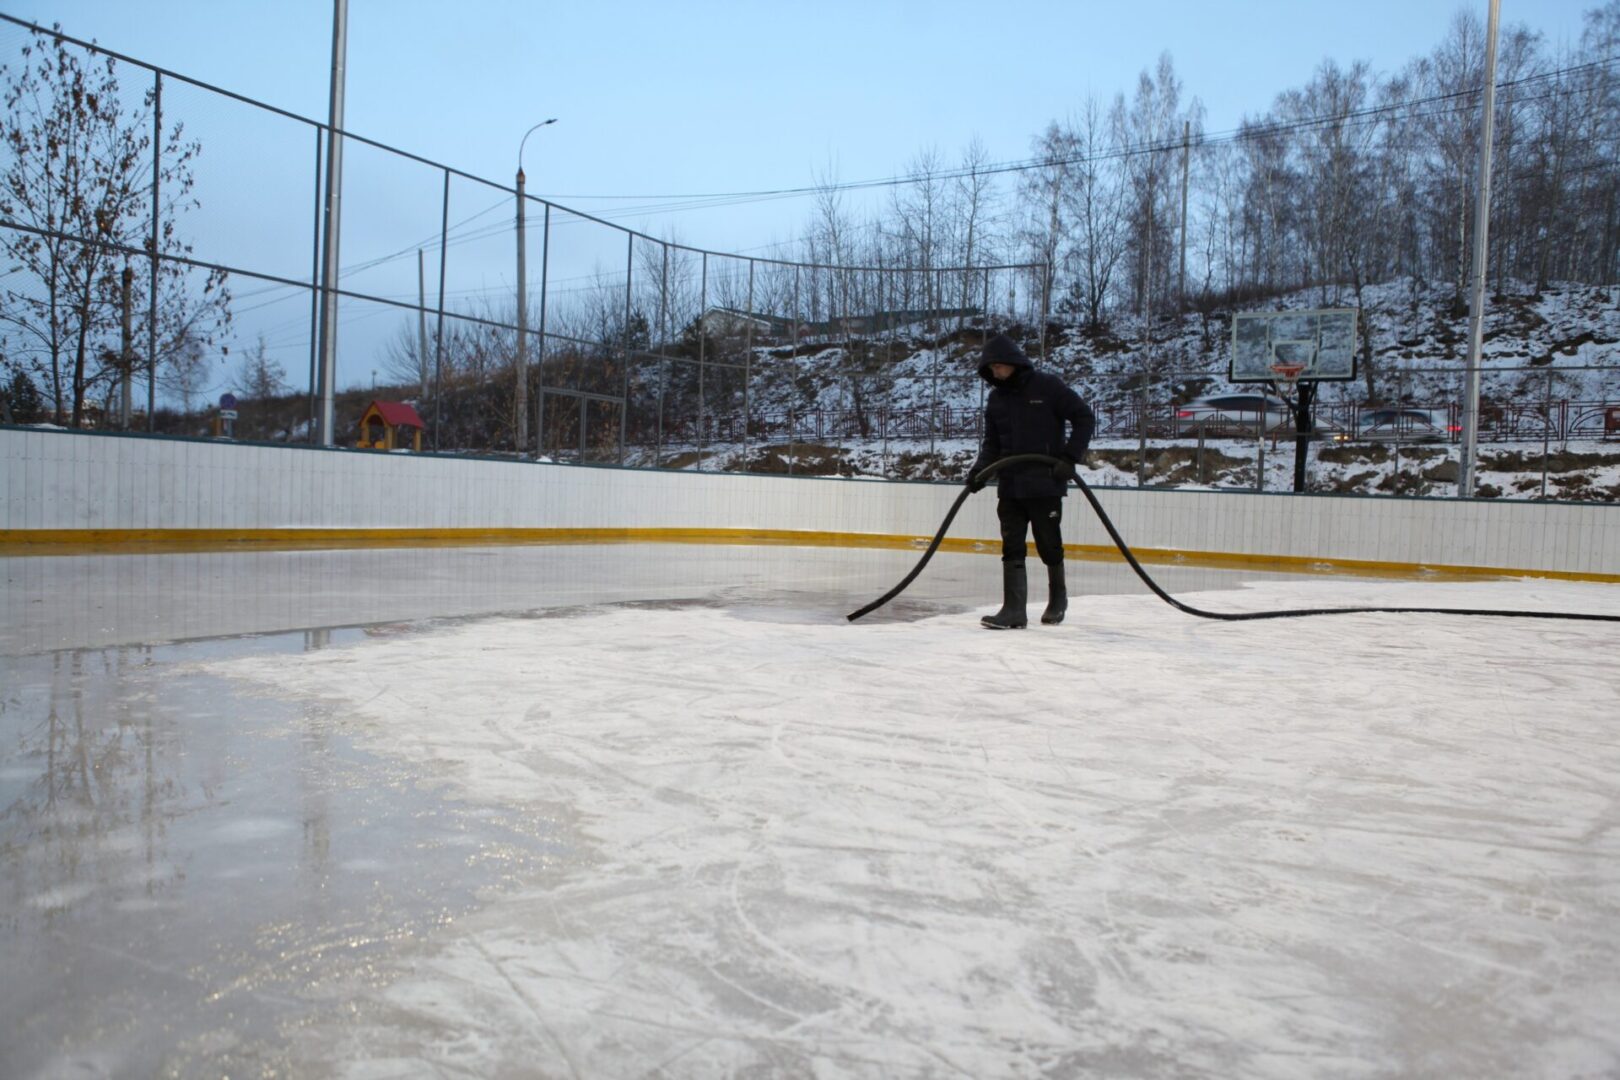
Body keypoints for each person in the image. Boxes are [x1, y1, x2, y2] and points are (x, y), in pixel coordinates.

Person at [965, 332, 1095, 629]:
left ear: (1013, 363)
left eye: (999, 366)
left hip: (1045, 481)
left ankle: (1058, 599)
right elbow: (992, 444)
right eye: (991, 368)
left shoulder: (1047, 387)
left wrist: (1069, 458)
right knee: (1012, 545)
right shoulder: (997, 400)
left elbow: (1084, 417)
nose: (995, 372)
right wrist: (979, 473)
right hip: (1011, 485)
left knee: (1048, 543)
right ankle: (1014, 610)